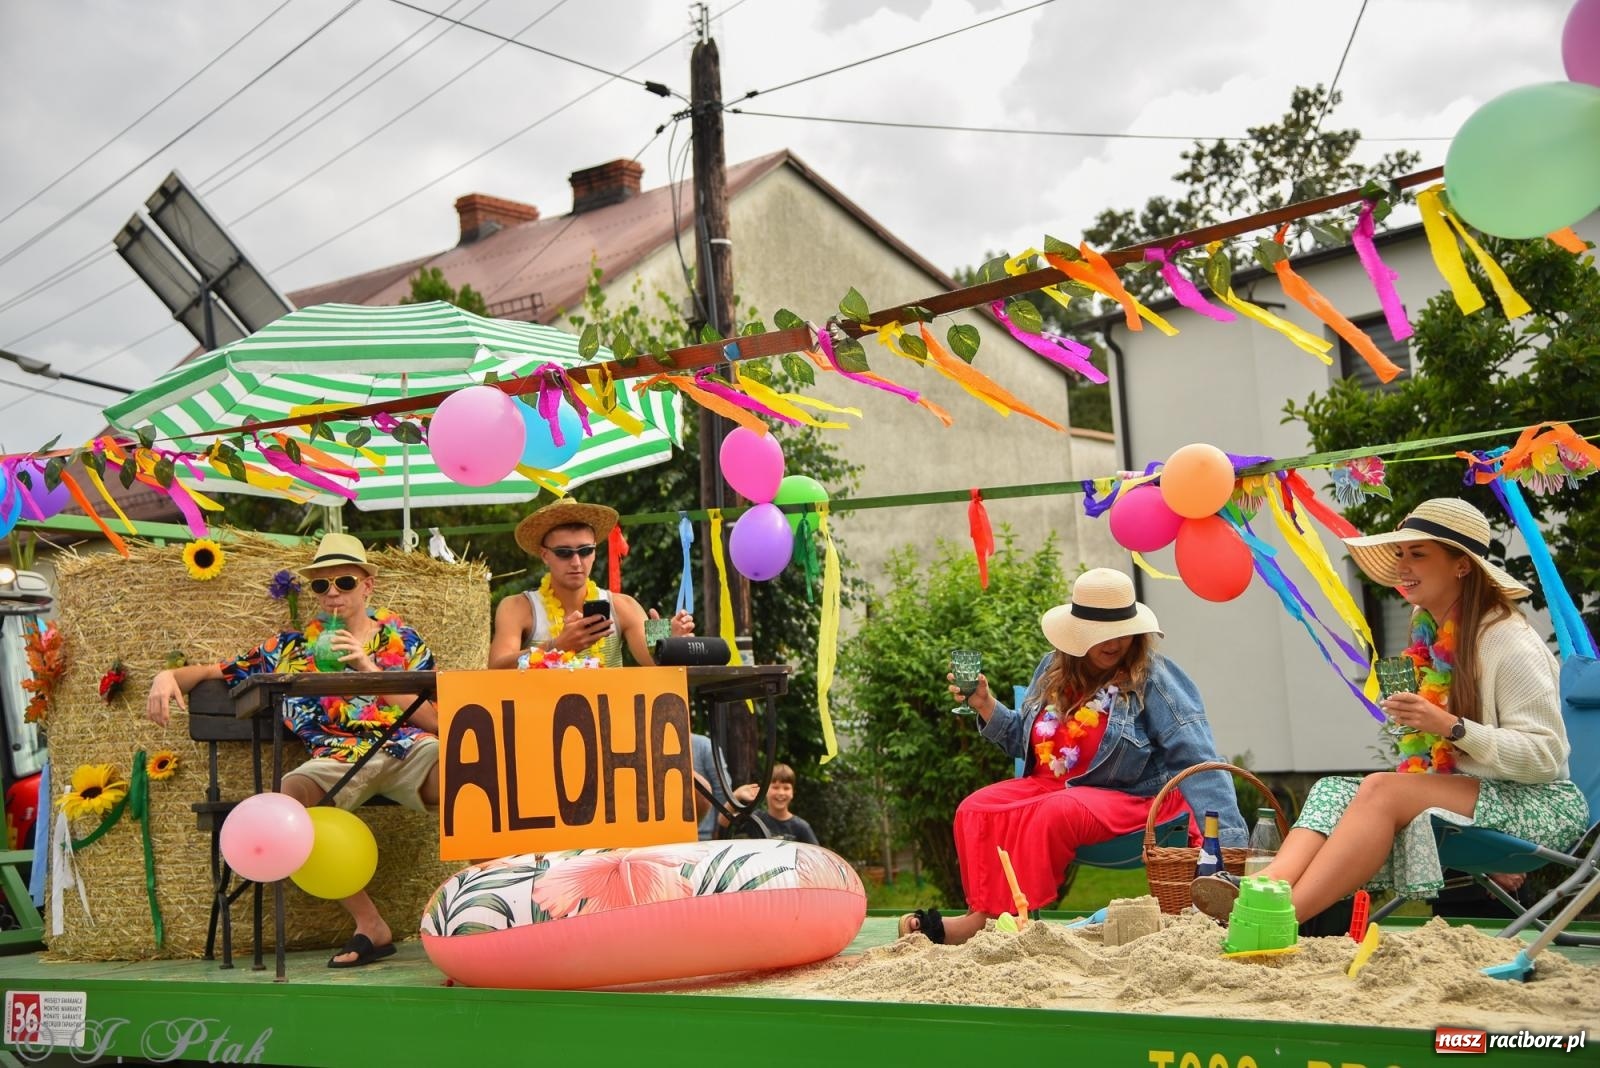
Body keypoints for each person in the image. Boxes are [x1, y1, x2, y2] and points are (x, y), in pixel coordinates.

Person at [1191, 498, 1589, 924]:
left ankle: (1278, 918)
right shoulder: (1430, 638)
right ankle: (1261, 888)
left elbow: (1546, 757)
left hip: (1538, 803)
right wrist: (1424, 727)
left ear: (1462, 566)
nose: (1403, 565)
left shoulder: (1508, 640)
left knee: (1382, 791)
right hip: (1473, 797)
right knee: (1333, 790)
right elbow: (1436, 762)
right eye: (1400, 554)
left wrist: (1451, 727)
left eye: (1418, 554)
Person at [901, 568, 1245, 945]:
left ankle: (1016, 923)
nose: (1115, 642)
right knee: (975, 807)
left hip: (1131, 798)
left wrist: (1229, 846)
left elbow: (1196, 758)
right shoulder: (1052, 669)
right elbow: (1023, 742)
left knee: (1057, 810)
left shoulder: (1155, 677)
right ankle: (982, 917)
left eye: (1122, 631)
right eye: (1101, 633)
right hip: (1052, 788)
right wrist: (986, 706)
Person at [146, 533, 438, 968]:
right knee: (285, 803)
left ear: (367, 586)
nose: (333, 593)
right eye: (322, 586)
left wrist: (368, 669)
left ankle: (482, 911)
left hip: (406, 747)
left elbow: (434, 720)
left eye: (344, 581)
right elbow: (213, 671)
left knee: (473, 776)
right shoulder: (290, 649)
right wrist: (167, 676)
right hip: (336, 759)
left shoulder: (405, 641)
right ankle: (371, 925)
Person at [487, 497, 694, 670]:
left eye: (585, 551)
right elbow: (495, 668)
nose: (576, 562)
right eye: (564, 553)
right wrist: (557, 646)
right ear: (544, 555)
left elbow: (655, 664)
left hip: (609, 716)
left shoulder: (623, 606)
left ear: (595, 553)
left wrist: (671, 645)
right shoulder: (517, 607)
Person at [732, 763, 819, 844]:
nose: (781, 793)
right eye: (775, 787)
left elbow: (816, 856)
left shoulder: (802, 828)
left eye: (786, 788)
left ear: (793, 792)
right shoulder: (755, 819)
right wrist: (736, 795)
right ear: (765, 790)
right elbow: (724, 820)